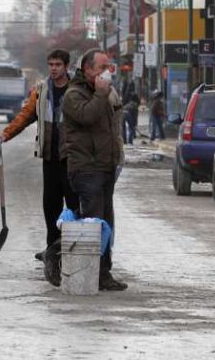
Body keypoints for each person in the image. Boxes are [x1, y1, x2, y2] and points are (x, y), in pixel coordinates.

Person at [0, 49, 79, 261]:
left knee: (74, 204)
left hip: (72, 157)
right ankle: (52, 248)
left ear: (66, 66)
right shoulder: (41, 91)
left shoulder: (77, 89)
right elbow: (25, 116)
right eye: (51, 64)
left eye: (58, 64)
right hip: (50, 156)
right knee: (50, 205)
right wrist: (6, 134)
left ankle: (73, 247)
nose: (54, 68)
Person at [62, 48, 128, 291]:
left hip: (105, 167)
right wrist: (101, 94)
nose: (107, 72)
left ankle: (103, 272)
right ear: (87, 69)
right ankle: (91, 273)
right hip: (86, 168)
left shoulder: (106, 94)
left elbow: (114, 128)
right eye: (101, 67)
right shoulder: (74, 94)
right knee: (94, 221)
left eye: (108, 67)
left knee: (105, 222)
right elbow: (87, 117)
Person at [121, 78, 139, 145]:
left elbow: (122, 102)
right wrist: (135, 123)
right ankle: (130, 141)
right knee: (131, 126)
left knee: (123, 127)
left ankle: (124, 140)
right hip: (129, 112)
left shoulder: (124, 94)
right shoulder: (134, 102)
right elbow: (135, 115)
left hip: (123, 110)